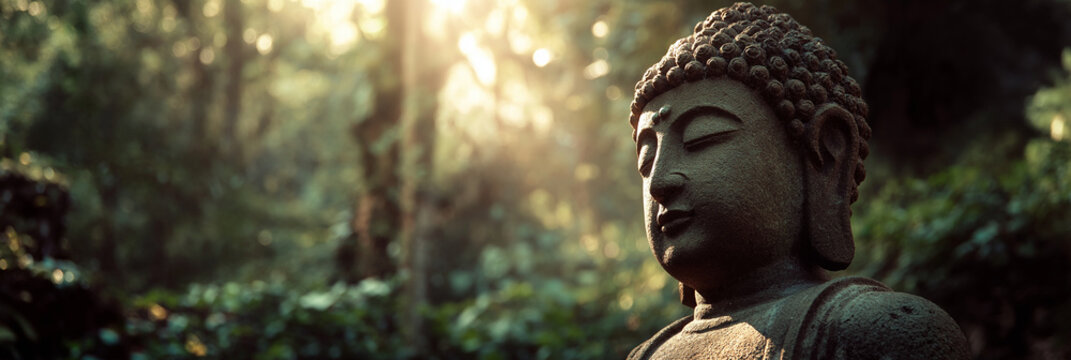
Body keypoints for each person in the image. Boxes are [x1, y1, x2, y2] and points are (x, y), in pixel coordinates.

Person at [626, 3, 970, 359]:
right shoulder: (645, 354)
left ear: (825, 155)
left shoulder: (879, 330)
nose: (659, 181)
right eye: (646, 161)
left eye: (702, 137)